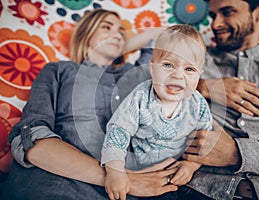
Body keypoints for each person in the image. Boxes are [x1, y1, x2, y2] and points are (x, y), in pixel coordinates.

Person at [1, 8, 178, 199]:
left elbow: (164, 35)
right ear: (86, 34)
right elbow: (31, 142)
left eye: (121, 31)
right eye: (106, 27)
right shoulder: (59, 71)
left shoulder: (137, 75)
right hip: (58, 186)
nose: (117, 35)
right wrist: (124, 180)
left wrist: (123, 45)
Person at [178, 0, 259, 199]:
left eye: (227, 12)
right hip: (195, 191)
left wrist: (237, 153)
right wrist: (202, 86)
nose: (215, 24)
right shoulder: (194, 60)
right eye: (213, 15)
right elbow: (146, 97)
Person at [101, 24, 213, 200]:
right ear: (152, 68)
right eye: (168, 65)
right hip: (138, 171)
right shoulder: (140, 98)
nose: (178, 75)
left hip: (176, 172)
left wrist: (190, 165)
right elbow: (118, 132)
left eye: (189, 69)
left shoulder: (197, 105)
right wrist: (115, 170)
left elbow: (203, 142)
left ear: (199, 74)